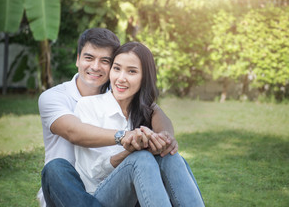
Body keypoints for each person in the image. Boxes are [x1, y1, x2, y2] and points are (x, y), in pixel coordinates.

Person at [38, 28, 180, 207]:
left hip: (109, 188)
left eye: (105, 61)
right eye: (89, 58)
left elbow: (153, 109)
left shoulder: (118, 93)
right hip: (68, 192)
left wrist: (164, 135)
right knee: (56, 168)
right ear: (78, 59)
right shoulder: (54, 97)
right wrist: (123, 136)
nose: (95, 67)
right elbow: (73, 131)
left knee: (158, 161)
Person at [74, 42, 204, 206]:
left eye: (132, 71)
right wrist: (130, 152)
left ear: (144, 77)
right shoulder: (88, 106)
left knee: (169, 156)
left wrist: (163, 141)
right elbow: (93, 172)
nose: (121, 78)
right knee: (141, 158)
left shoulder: (145, 111)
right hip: (98, 198)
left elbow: (160, 119)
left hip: (137, 197)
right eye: (117, 68)